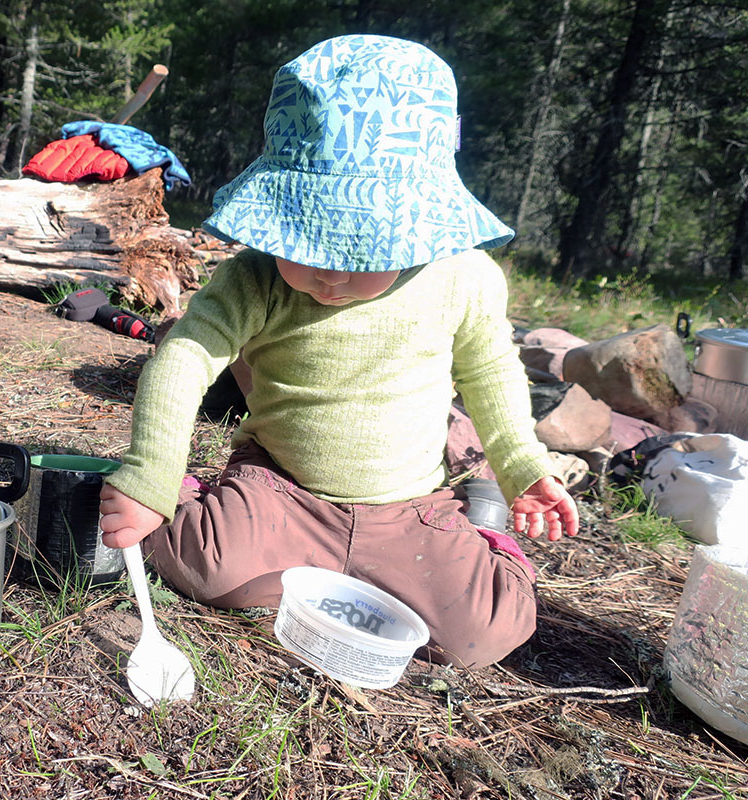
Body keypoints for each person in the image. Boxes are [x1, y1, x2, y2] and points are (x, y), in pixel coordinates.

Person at [97, 34, 580, 669]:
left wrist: (522, 466)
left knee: (485, 633)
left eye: (361, 253)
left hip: (408, 510)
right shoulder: (255, 278)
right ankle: (200, 497)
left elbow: (491, 373)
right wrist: (150, 476)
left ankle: (481, 535)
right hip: (284, 489)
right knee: (209, 569)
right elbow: (184, 359)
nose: (330, 275)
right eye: (308, 242)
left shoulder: (463, 277)